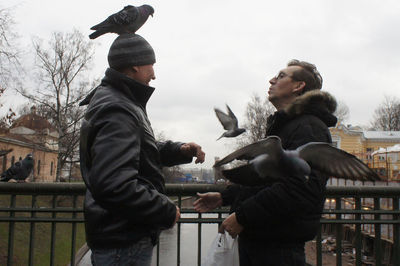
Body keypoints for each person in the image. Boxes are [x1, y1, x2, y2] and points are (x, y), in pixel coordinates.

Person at [194, 60, 337, 265]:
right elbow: (267, 181)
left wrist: (242, 217)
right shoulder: (288, 127)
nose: (271, 80)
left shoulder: (309, 128)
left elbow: (300, 188)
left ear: (298, 86)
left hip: (277, 250)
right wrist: (224, 197)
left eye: (280, 76)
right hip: (263, 244)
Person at [79, 33, 205, 266]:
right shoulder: (118, 108)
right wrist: (164, 209)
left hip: (118, 236)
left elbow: (138, 151)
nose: (154, 74)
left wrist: (180, 150)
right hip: (123, 240)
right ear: (135, 64)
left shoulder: (117, 101)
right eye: (152, 65)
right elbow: (114, 185)